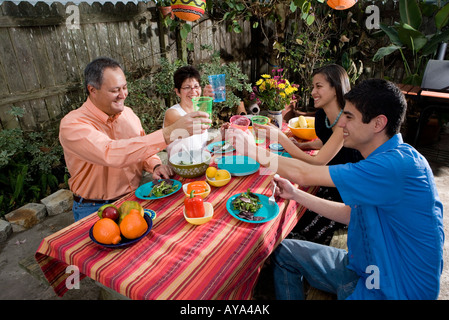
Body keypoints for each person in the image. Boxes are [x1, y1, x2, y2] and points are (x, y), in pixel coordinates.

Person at [230, 79, 444, 299]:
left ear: (378, 123)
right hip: (364, 269)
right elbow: (353, 214)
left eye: (349, 117)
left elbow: (303, 173)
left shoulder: (395, 167)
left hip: (392, 291)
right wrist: (295, 194)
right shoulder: (388, 159)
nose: (341, 124)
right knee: (283, 253)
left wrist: (252, 150)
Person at [59, 57, 211, 221]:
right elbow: (111, 153)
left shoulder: (128, 114)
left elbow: (141, 147)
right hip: (94, 207)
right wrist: (169, 133)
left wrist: (155, 165)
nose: (123, 95)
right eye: (115, 90)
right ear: (92, 90)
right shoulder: (73, 124)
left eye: (124, 87)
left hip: (133, 199)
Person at [256, 64, 364, 244]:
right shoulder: (322, 115)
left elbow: (318, 163)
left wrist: (281, 139)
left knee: (294, 227)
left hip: (343, 194)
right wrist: (303, 146)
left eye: (319, 86)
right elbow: (324, 140)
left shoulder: (345, 123)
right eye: (313, 86)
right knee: (284, 203)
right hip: (327, 180)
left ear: (336, 88)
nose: (313, 91)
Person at [163, 65, 215, 156]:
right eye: (187, 87)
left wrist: (222, 135)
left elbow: (201, 147)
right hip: (181, 168)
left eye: (196, 86)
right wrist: (205, 102)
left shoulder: (200, 110)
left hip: (200, 165)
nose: (193, 91)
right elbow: (192, 125)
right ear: (178, 92)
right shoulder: (172, 113)